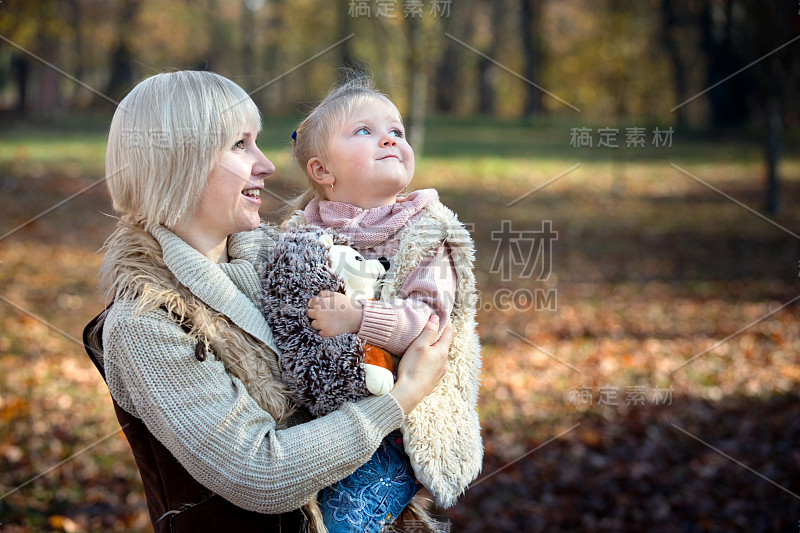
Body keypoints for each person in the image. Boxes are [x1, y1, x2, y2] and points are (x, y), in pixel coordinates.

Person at [87, 70, 451, 533]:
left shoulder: (297, 259)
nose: (267, 165)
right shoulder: (145, 324)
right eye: (240, 145)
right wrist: (399, 401)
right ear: (181, 159)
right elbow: (261, 473)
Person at [281, 73, 482, 532]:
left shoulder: (427, 232)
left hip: (400, 425)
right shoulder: (300, 235)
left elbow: (430, 325)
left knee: (343, 522)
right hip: (320, 419)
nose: (390, 138)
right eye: (365, 131)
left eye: (397, 130)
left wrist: (358, 318)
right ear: (322, 171)